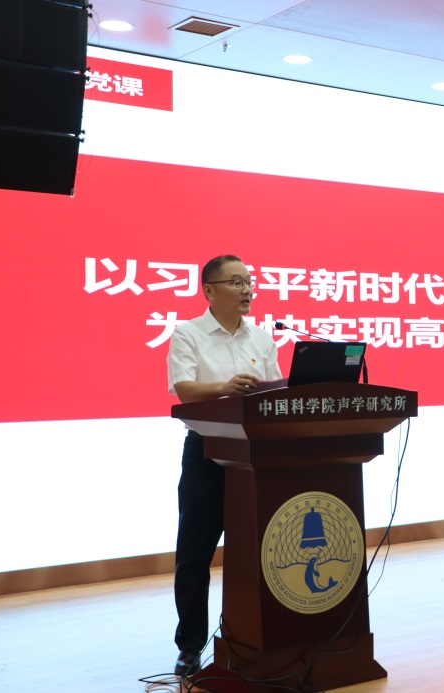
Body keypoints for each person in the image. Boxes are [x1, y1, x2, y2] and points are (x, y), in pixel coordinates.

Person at [166, 254, 282, 677]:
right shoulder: (188, 334)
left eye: (249, 281)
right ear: (209, 290)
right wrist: (225, 388)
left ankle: (253, 637)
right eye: (236, 282)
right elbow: (184, 389)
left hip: (255, 457)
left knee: (256, 552)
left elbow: (276, 392)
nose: (247, 289)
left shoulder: (262, 338)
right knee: (195, 554)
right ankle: (190, 646)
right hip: (207, 455)